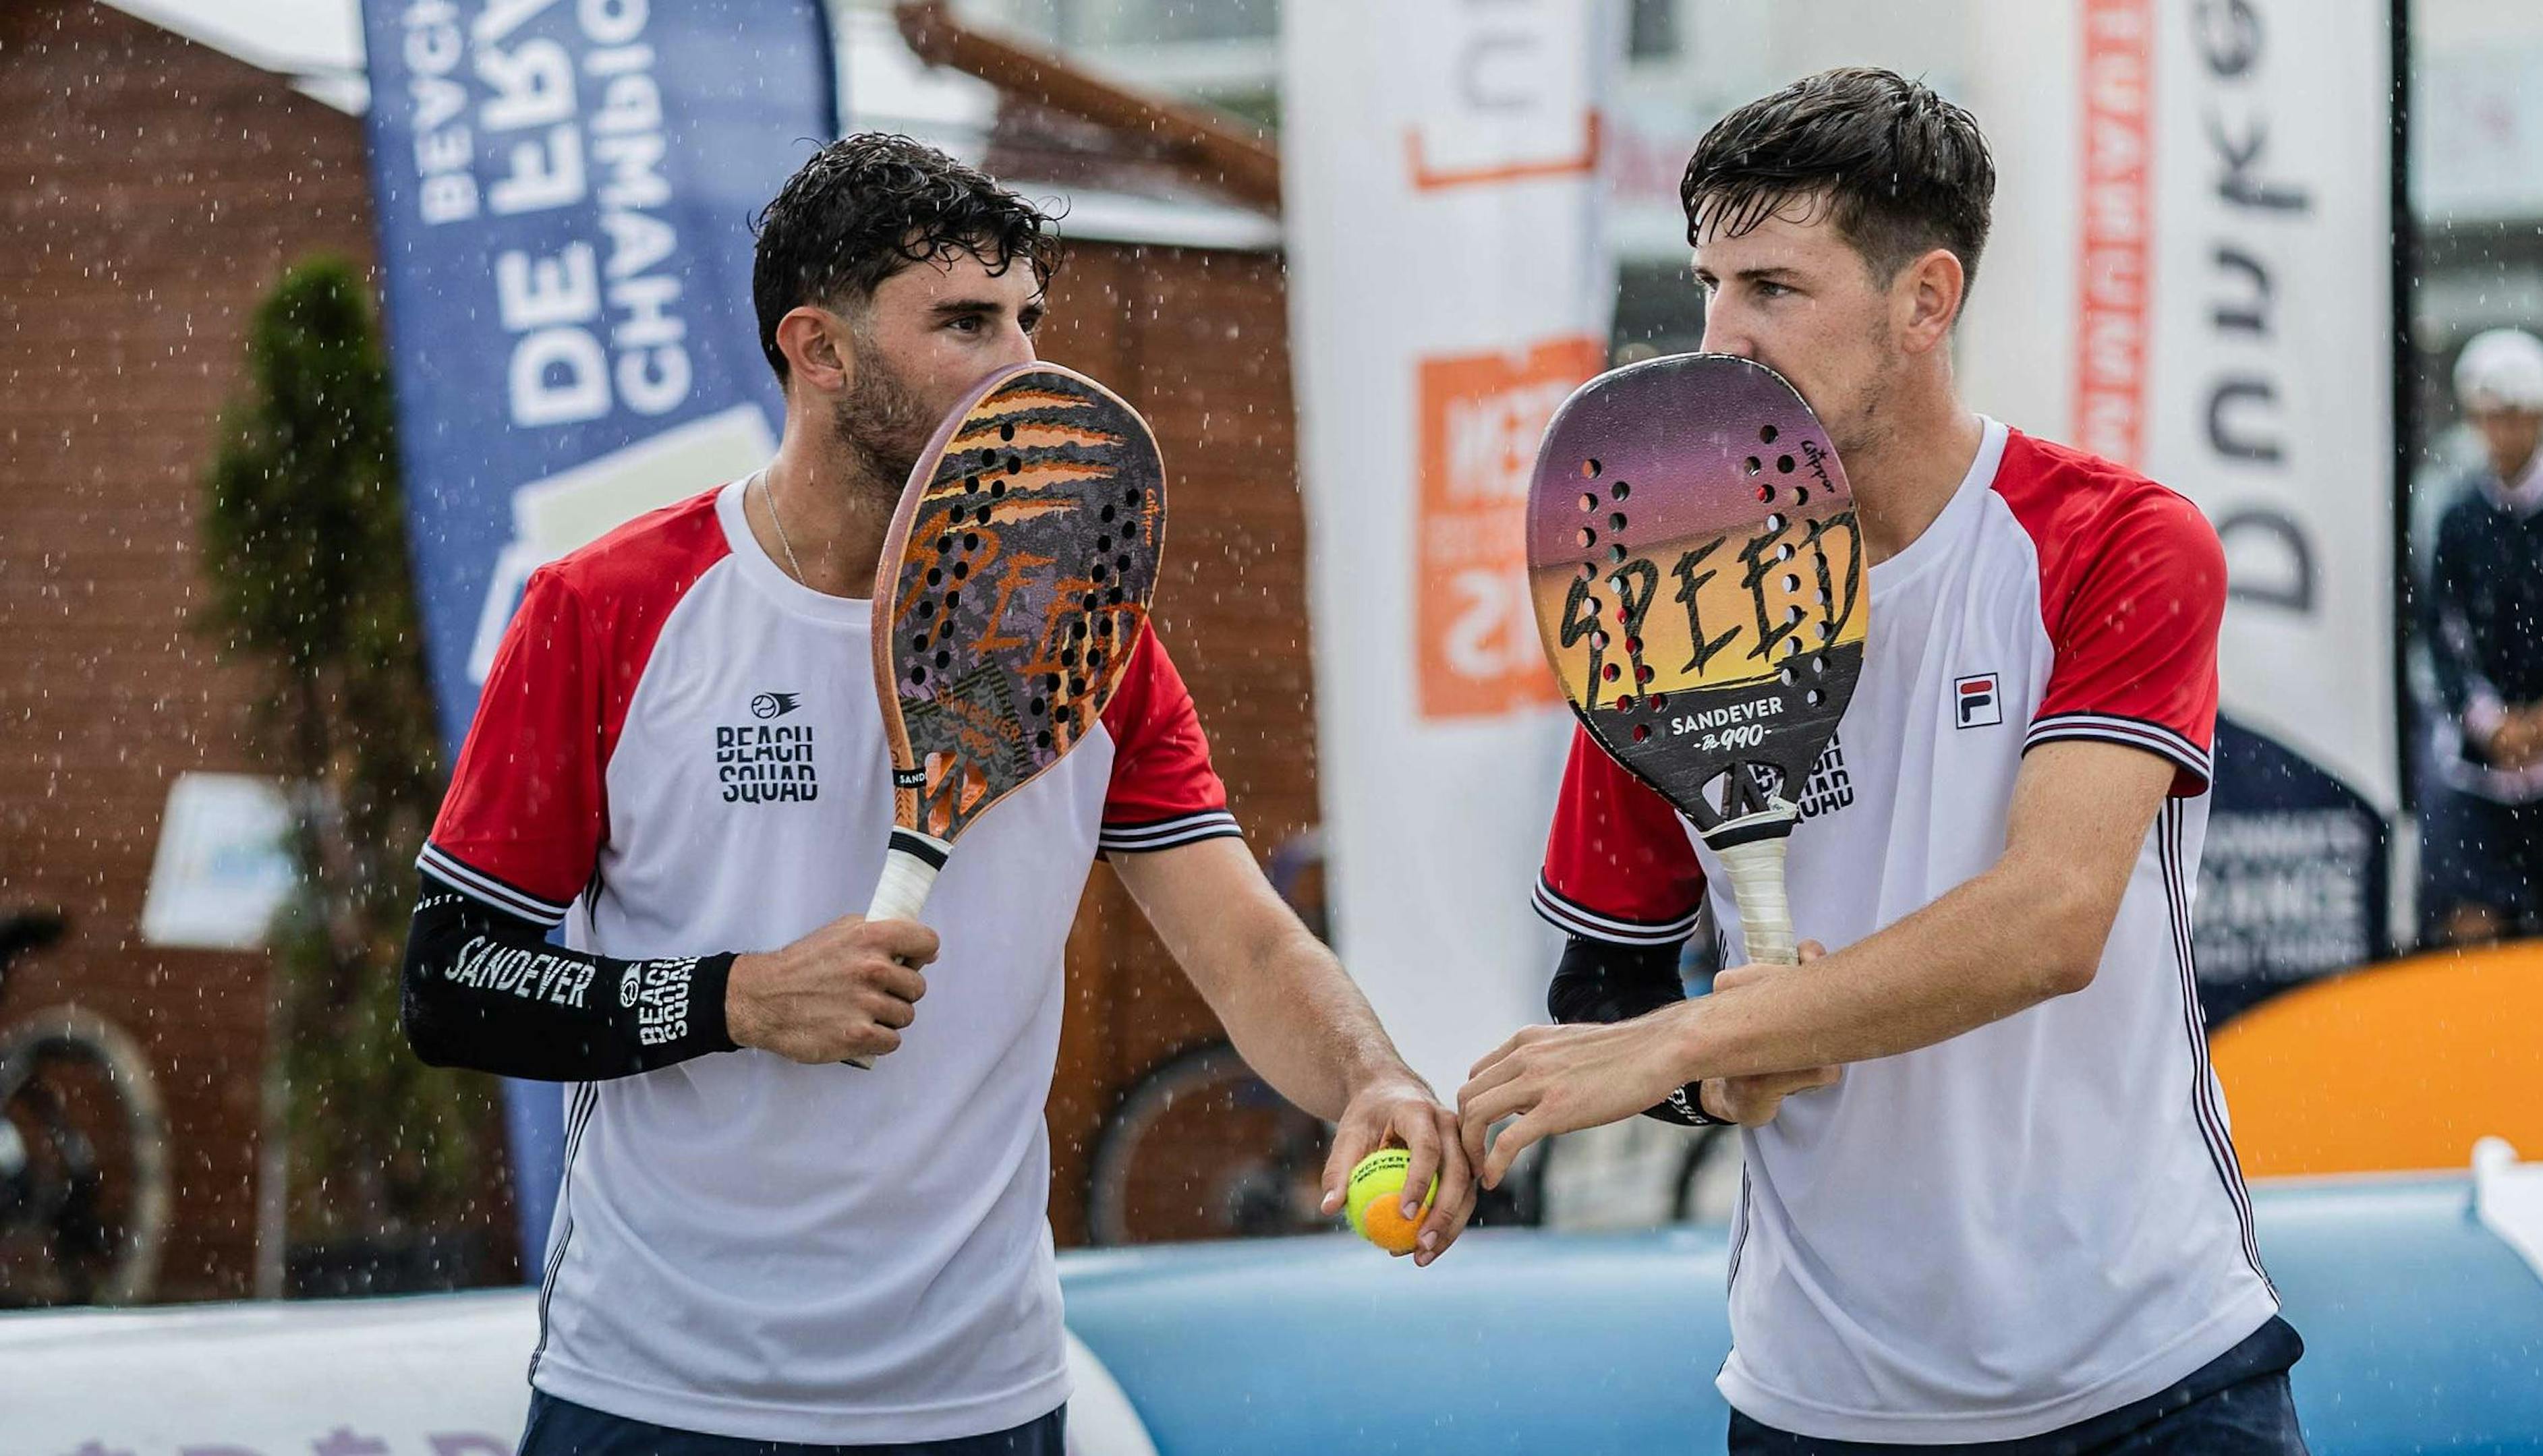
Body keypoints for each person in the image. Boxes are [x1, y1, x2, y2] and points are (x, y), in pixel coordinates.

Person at [401, 133, 1473, 1455]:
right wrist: (732, 996)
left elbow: (1247, 946)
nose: (1025, 366)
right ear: (820, 349)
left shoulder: (1091, 633)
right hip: (665, 1390)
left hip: (983, 1391)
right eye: (966, 321)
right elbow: (451, 980)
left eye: (1031, 317)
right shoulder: (608, 606)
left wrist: (1366, 1073)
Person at [1458, 69, 2308, 1453]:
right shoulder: (1653, 583)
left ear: (1927, 299)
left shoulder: (2120, 542)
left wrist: (1706, 1031)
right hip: (1821, 1402)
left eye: (1775, 288)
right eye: (1710, 282)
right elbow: (1606, 988)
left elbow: (2050, 922)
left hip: (2154, 1377)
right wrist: (1701, 1074)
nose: (1721, 335)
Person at [2422, 327, 2543, 943]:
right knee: (2479, 939)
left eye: (2518, 415)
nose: (2505, 431)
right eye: (2491, 416)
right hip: (2485, 778)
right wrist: (2488, 722)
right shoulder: (2460, 517)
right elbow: (2442, 633)